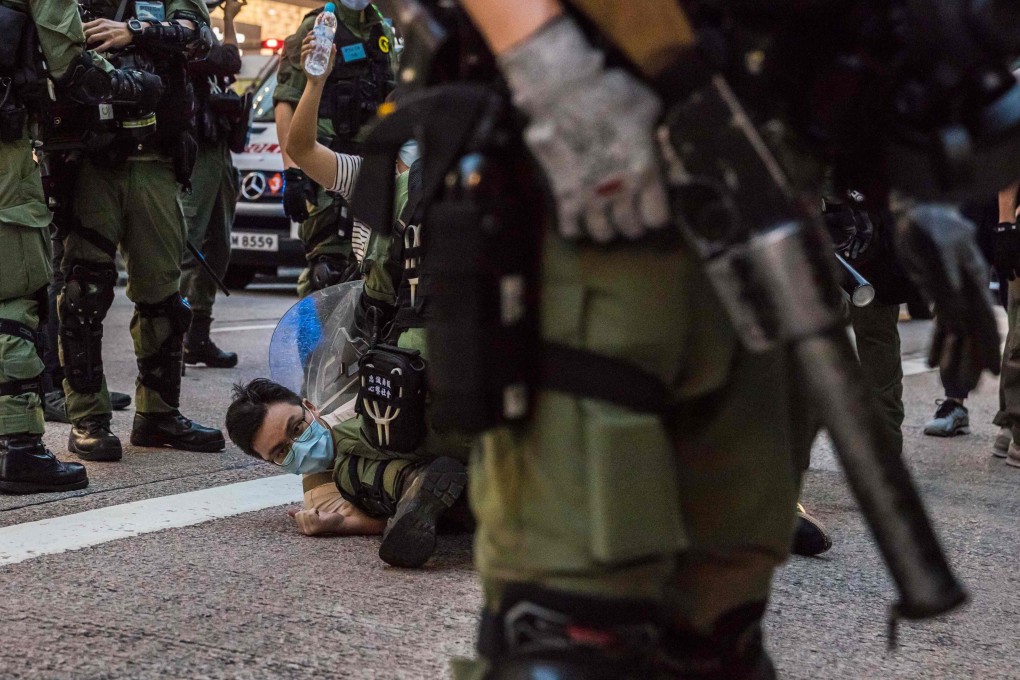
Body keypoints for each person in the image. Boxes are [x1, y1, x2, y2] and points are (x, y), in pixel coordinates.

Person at [0, 0, 161, 492]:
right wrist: (135, 85)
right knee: (15, 298)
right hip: (6, 157)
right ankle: (19, 451)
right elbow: (72, 65)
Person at [59, 0, 225, 462]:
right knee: (83, 294)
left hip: (155, 161)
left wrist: (135, 31)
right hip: (92, 161)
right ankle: (88, 419)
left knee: (164, 301)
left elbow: (198, 35)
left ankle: (158, 415)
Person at [225, 378, 468, 567]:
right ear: (271, 463)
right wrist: (337, 524)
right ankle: (414, 479)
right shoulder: (318, 498)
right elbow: (389, 519)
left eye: (297, 428)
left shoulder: (360, 409)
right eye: (281, 452)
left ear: (310, 407)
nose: (298, 445)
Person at [273, 0, 398, 297]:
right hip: (324, 167)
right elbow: (285, 101)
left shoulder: (383, 29)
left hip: (369, 171)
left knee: (372, 271)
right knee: (325, 272)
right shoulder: (317, 25)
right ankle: (312, 344)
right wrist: (292, 172)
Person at [180, 0, 245, 369]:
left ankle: (198, 335)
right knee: (188, 244)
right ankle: (170, 334)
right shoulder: (182, 18)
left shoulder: (206, 24)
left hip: (218, 151)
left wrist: (229, 18)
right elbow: (226, 59)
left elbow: (229, 63)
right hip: (195, 150)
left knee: (218, 246)